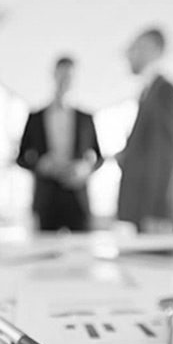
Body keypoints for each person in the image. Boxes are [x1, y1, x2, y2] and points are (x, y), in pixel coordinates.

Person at [17, 56, 103, 231]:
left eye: (69, 76)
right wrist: (40, 165)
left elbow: (99, 158)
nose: (65, 80)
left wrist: (85, 169)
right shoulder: (36, 118)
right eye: (61, 74)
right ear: (54, 75)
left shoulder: (86, 119)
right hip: (46, 197)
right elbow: (21, 157)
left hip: (78, 197)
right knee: (44, 247)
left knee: (82, 247)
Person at [116, 28, 173, 233]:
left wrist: (156, 211)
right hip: (139, 210)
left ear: (153, 49)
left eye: (135, 48)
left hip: (151, 214)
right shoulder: (147, 93)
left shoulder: (163, 91)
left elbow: (164, 153)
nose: (129, 55)